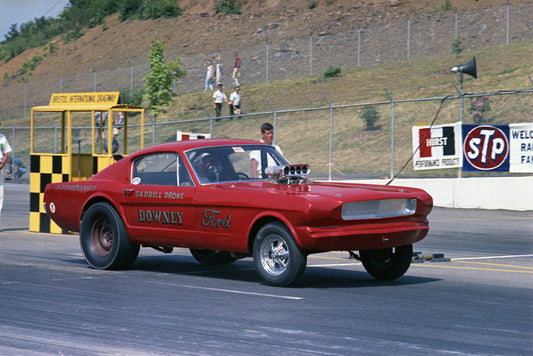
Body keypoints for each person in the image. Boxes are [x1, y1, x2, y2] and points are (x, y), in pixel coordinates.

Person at [0, 131, 13, 230]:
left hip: (0, 167)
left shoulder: (2, 138)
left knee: (0, 195)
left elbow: (6, 152)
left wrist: (2, 163)